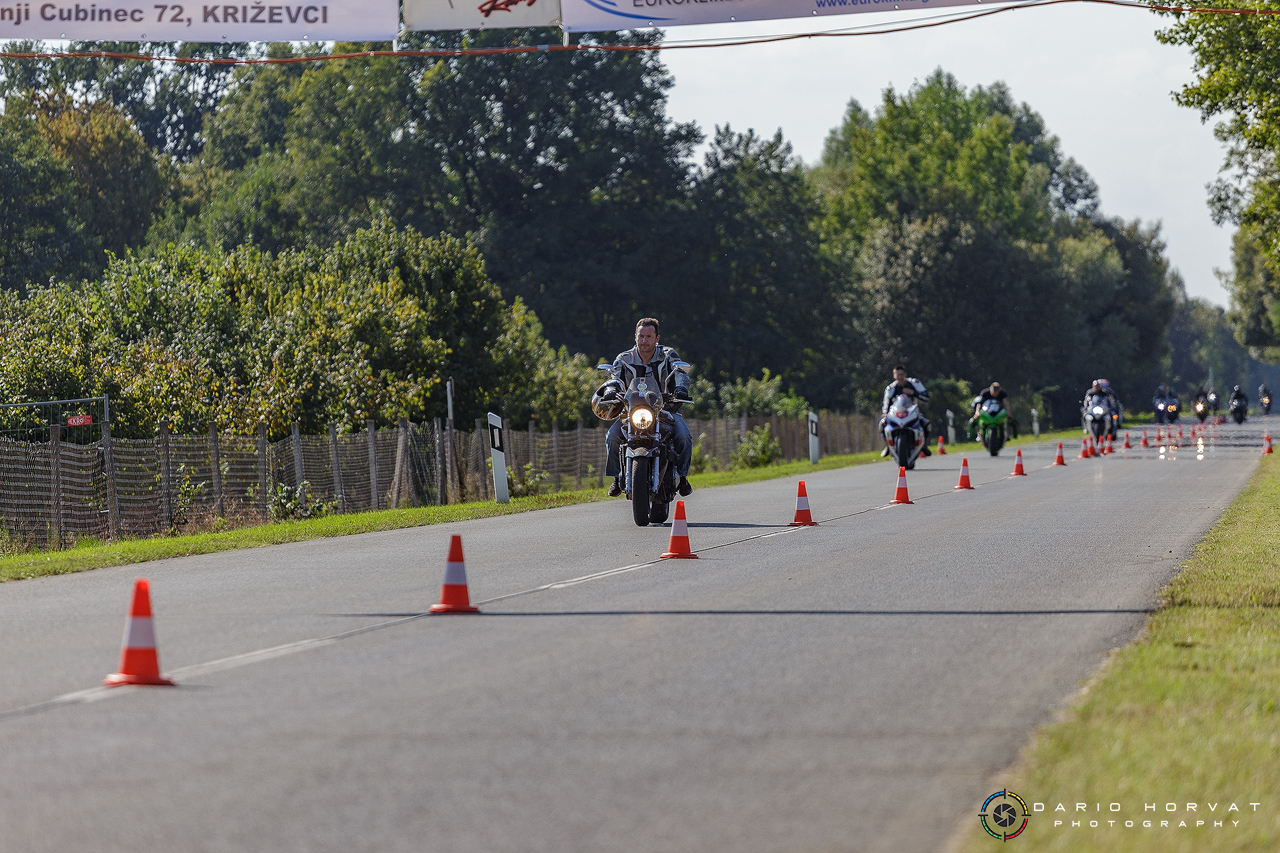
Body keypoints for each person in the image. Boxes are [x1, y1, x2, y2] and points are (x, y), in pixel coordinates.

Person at [602, 318, 693, 498]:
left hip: (665, 410)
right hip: (630, 412)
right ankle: (617, 477)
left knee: (684, 436)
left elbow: (680, 373)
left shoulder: (668, 355)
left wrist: (681, 388)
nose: (644, 340)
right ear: (635, 337)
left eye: (649, 336)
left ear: (657, 338)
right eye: (641, 336)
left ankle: (683, 477)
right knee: (612, 437)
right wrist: (611, 391)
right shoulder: (624, 358)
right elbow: (614, 379)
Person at [880, 364, 930, 457]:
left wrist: (913, 393)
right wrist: (885, 413)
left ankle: (923, 445)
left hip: (913, 412)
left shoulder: (914, 383)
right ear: (894, 376)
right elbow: (886, 401)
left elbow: (926, 397)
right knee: (882, 425)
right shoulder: (891, 388)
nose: (900, 377)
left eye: (901, 374)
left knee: (926, 424)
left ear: (905, 374)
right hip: (896, 414)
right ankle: (888, 446)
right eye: (897, 375)